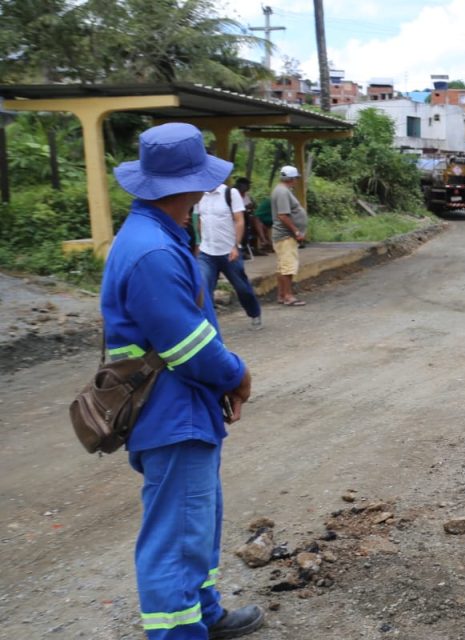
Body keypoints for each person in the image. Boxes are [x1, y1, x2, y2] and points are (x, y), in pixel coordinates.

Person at [103, 122, 263, 639]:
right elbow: (186, 346)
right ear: (190, 187)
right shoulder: (153, 251)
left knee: (196, 523)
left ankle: (204, 614)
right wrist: (237, 375)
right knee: (175, 537)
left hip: (181, 408)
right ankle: (178, 631)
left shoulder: (162, 236)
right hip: (168, 412)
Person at [196, 179, 263, 330]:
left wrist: (235, 245)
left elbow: (239, 221)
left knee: (242, 287)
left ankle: (254, 313)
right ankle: (207, 324)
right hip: (207, 252)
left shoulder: (230, 193)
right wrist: (200, 243)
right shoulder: (199, 195)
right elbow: (200, 219)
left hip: (228, 251)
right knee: (203, 286)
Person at [271, 166, 308, 306]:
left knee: (283, 266)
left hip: (284, 235)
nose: (297, 181)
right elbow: (283, 215)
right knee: (288, 267)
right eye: (296, 178)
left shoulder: (283, 191)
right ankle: (288, 296)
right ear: (291, 179)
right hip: (286, 235)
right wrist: (296, 231)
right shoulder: (282, 192)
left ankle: (282, 295)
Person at [231, 177, 257, 259]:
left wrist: (250, 206)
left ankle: (251, 248)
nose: (249, 187)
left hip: (246, 217)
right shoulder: (233, 193)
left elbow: (252, 205)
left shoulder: (246, 195)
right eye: (247, 185)